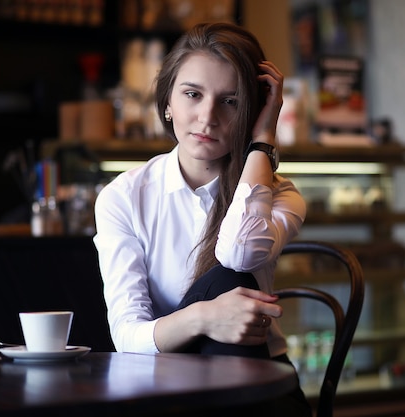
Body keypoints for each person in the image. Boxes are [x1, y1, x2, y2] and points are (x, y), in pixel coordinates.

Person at [93, 22, 309, 416]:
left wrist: (262, 142)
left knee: (231, 276)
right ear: (168, 102)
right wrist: (204, 318)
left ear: (255, 109)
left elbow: (240, 254)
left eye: (230, 102)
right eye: (192, 94)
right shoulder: (123, 197)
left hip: (262, 386)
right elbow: (126, 335)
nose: (207, 117)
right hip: (168, 386)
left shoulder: (280, 195)